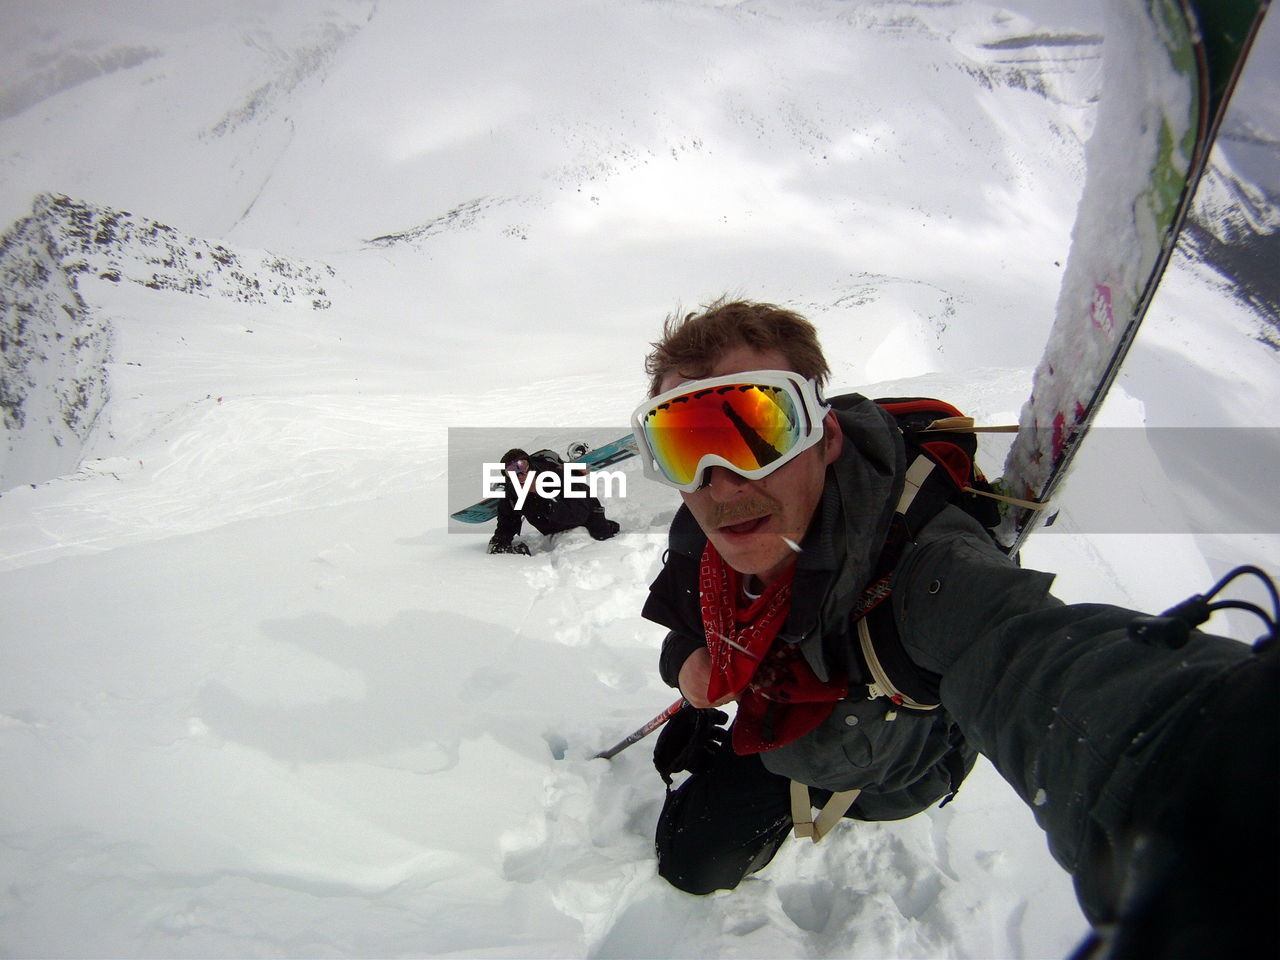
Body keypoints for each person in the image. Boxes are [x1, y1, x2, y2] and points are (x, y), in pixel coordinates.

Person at [632, 298, 1277, 957]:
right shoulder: (703, 539)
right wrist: (688, 662)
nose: (721, 480)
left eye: (757, 430)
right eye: (684, 445)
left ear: (824, 438)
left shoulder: (925, 567)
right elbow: (682, 621)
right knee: (688, 857)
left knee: (692, 860)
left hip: (879, 768)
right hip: (781, 730)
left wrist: (1214, 777)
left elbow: (1026, 656)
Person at [487, 447, 620, 554]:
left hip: (584, 513)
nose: (520, 475)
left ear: (530, 466)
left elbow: (580, 513)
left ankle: (575, 459)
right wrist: (500, 542)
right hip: (551, 527)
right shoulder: (512, 492)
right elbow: (507, 523)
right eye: (512, 472)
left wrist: (543, 497)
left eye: (522, 466)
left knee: (602, 536)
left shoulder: (554, 477)